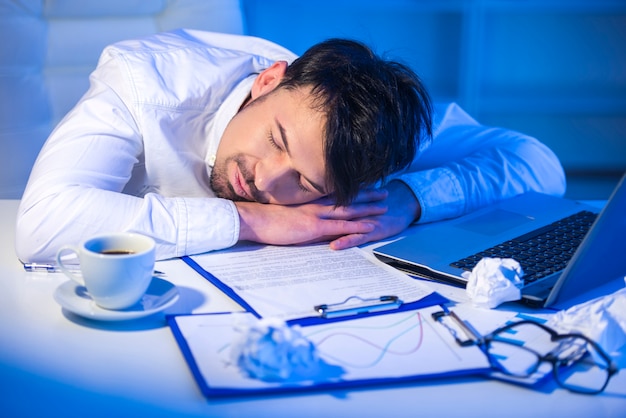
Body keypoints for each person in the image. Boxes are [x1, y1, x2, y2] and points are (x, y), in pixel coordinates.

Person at [15, 29, 565, 263]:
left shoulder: (360, 137)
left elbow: (538, 163)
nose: (267, 180)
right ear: (269, 80)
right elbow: (43, 222)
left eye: (305, 183)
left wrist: (409, 198)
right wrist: (251, 223)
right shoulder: (144, 82)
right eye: (277, 139)